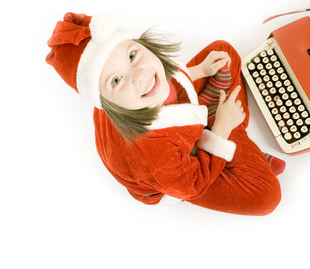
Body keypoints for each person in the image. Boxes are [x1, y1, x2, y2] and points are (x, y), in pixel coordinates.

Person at [46, 12, 284, 215]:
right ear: (106, 103)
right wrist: (222, 127)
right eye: (116, 80)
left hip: (170, 136)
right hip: (179, 176)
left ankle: (226, 139)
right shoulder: (150, 156)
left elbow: (164, 85)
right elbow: (194, 185)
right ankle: (231, 144)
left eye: (131, 56)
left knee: (224, 53)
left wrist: (199, 70)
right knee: (268, 197)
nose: (139, 75)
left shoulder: (136, 90)